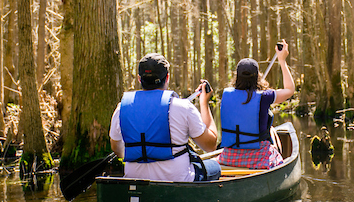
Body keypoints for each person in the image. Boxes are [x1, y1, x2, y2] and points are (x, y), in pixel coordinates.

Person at [109, 53, 221, 181]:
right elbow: (210, 145)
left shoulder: (121, 108)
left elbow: (116, 149)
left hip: (135, 179)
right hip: (178, 181)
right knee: (215, 167)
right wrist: (204, 104)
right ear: (167, 77)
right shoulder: (183, 107)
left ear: (140, 79)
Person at [217, 39, 295, 169]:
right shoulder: (265, 97)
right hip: (258, 158)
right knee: (272, 134)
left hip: (229, 157)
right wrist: (282, 60)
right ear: (258, 76)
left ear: (237, 77)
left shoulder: (226, 95)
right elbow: (289, 90)